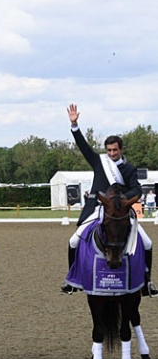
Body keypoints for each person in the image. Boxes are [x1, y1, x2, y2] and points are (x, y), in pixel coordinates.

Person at [60, 104, 157, 296]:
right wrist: (74, 125)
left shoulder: (129, 169)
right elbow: (83, 147)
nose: (112, 154)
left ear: (121, 149)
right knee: (73, 241)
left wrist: (121, 200)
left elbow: (137, 189)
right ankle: (73, 279)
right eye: (109, 150)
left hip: (120, 211)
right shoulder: (99, 162)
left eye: (115, 150)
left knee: (147, 243)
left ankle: (147, 281)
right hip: (97, 208)